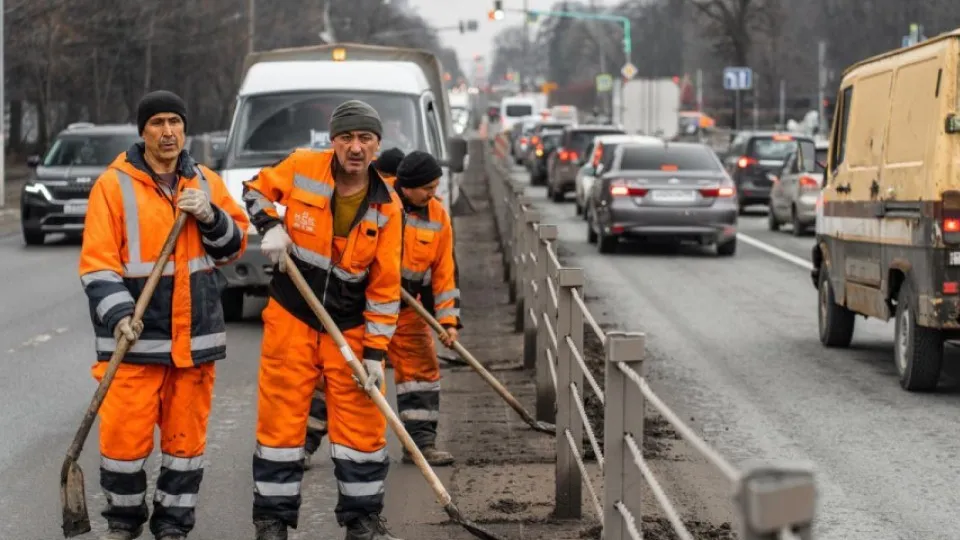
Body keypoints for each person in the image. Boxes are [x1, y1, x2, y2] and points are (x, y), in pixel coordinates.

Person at [78, 90, 249, 540]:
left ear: (185, 128)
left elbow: (234, 248)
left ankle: (173, 525)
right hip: (135, 341)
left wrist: (211, 216)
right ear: (143, 131)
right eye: (157, 123)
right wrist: (118, 315)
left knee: (184, 444)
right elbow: (98, 264)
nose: (168, 131)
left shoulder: (206, 182)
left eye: (175, 121)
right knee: (122, 442)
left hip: (194, 343)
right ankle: (124, 521)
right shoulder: (112, 187)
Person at [242, 100, 404, 540]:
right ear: (333, 141)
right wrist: (268, 225)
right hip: (294, 314)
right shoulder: (302, 166)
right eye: (347, 138)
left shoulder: (387, 206)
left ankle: (363, 520)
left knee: (362, 428)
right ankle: (272, 522)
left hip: (348, 327)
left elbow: (385, 289)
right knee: (280, 424)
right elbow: (253, 189)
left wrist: (374, 354)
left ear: (377, 146)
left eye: (365, 139)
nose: (355, 147)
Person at [304, 150, 461, 470]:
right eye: (427, 187)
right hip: (362, 309)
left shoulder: (438, 216)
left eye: (436, 186)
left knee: (421, 375)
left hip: (406, 313)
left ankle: (421, 445)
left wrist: (448, 321)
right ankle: (302, 446)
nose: (433, 193)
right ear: (407, 186)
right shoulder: (376, 202)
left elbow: (444, 274)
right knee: (336, 375)